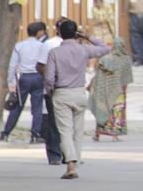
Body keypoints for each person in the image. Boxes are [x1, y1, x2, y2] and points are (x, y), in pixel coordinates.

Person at [44, 21, 111, 179]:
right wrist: (88, 37)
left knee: (65, 130)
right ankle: (76, 163)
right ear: (76, 34)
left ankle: (71, 164)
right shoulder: (84, 49)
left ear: (59, 33)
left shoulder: (54, 53)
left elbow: (49, 77)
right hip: (79, 92)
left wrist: (50, 90)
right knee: (78, 131)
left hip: (62, 93)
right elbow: (105, 48)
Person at [0, 21, 47, 143]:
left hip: (24, 78)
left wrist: (11, 83)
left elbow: (12, 66)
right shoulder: (42, 46)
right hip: (38, 77)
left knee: (17, 106)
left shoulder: (19, 46)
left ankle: (6, 133)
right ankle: (35, 134)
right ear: (38, 33)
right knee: (37, 107)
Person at [89, 38, 134, 142]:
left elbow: (98, 75)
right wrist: (124, 92)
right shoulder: (125, 60)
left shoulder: (105, 59)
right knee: (116, 111)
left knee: (102, 110)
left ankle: (98, 134)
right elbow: (125, 79)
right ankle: (115, 134)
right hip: (118, 91)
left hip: (104, 90)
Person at [37, 18, 68, 164]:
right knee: (54, 122)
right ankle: (55, 154)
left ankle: (69, 154)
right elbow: (40, 65)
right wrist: (51, 78)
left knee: (69, 124)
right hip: (53, 89)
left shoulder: (76, 45)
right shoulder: (49, 44)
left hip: (70, 88)